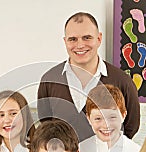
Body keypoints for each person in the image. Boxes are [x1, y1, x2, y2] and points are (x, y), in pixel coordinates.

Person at [37, 12, 140, 142]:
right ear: (65, 41)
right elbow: (46, 126)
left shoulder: (122, 81)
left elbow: (131, 126)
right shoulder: (49, 80)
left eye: (87, 37)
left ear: (99, 39)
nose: (80, 45)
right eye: (73, 39)